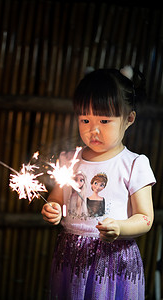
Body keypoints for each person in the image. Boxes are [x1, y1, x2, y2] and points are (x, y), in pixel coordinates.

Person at [41, 66, 156, 300]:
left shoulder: (134, 164)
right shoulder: (70, 160)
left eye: (104, 120)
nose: (93, 129)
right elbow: (57, 199)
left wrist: (120, 228)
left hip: (113, 260)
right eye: (85, 119)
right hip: (70, 258)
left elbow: (145, 218)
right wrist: (52, 209)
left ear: (129, 119)